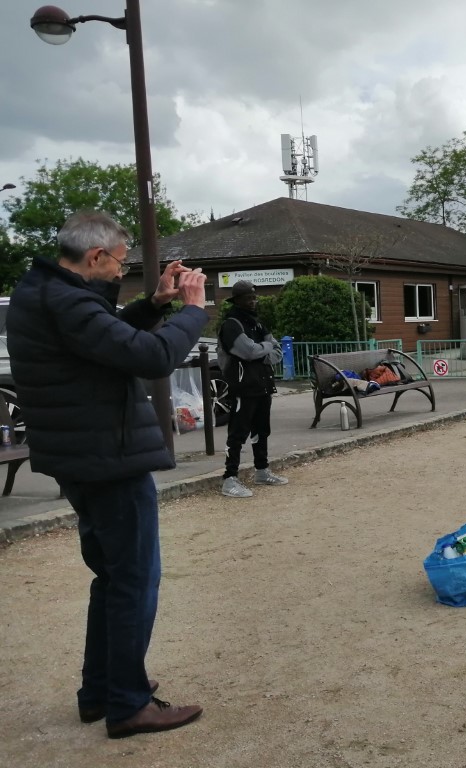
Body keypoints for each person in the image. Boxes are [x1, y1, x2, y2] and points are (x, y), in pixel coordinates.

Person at [7, 211, 205, 738]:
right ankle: (128, 704)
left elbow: (106, 338)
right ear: (94, 257)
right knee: (135, 580)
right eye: (119, 262)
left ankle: (100, 691)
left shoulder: (44, 292)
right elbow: (154, 356)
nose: (122, 273)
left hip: (82, 456)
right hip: (107, 456)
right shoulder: (67, 301)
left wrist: (155, 302)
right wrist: (192, 309)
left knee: (112, 578)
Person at [217, 280, 288, 497]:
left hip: (263, 385)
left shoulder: (257, 324)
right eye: (249, 298)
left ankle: (262, 470)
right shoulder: (232, 324)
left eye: (254, 297)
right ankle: (229, 479)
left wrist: (261, 350)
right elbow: (247, 351)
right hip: (242, 387)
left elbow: (277, 352)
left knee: (261, 430)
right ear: (237, 299)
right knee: (237, 433)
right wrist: (262, 350)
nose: (253, 301)